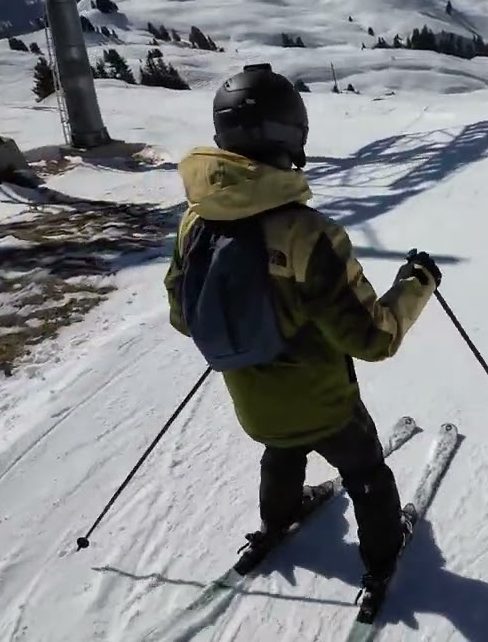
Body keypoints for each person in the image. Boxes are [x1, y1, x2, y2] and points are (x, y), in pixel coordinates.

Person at [163, 63, 442, 596]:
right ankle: (383, 554)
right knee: (366, 472)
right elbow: (373, 338)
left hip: (251, 401)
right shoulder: (307, 235)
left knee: (282, 448)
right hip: (326, 404)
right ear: (292, 136)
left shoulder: (194, 221)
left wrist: (244, 320)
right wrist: (417, 283)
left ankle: (278, 519)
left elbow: (182, 315)